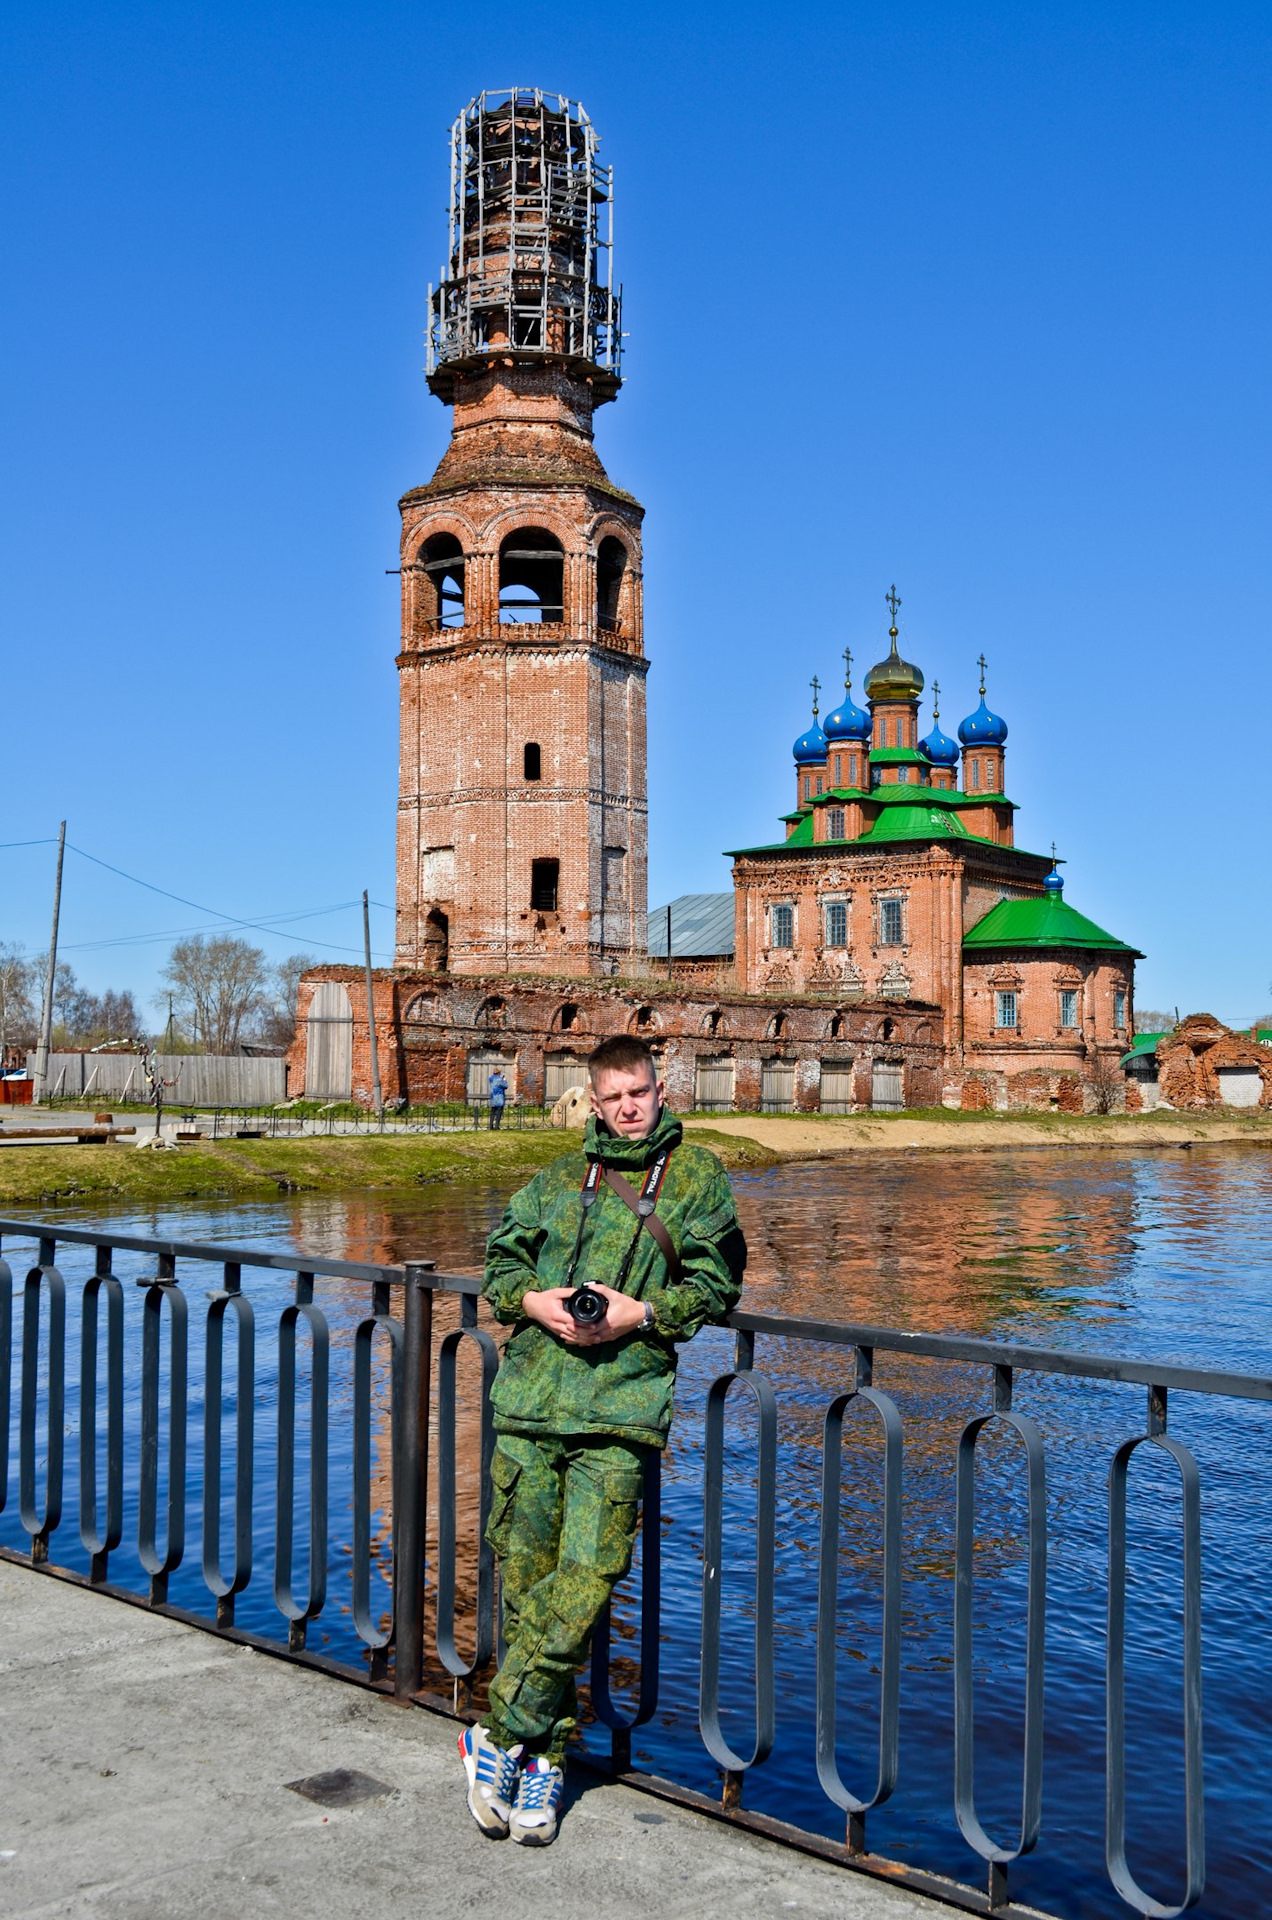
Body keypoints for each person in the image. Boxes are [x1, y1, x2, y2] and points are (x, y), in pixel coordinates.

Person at [458, 1035, 746, 1845]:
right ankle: (541, 1760)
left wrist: (642, 1314)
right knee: (529, 1590)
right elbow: (499, 1267)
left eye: (640, 1092)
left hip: (619, 1414)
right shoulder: (553, 1182)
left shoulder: (696, 1181)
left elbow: (718, 1283)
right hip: (529, 1411)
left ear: (662, 1091)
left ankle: (493, 1731)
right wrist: (537, 1302)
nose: (628, 1106)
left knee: (587, 1580)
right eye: (613, 1095)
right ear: (593, 1098)